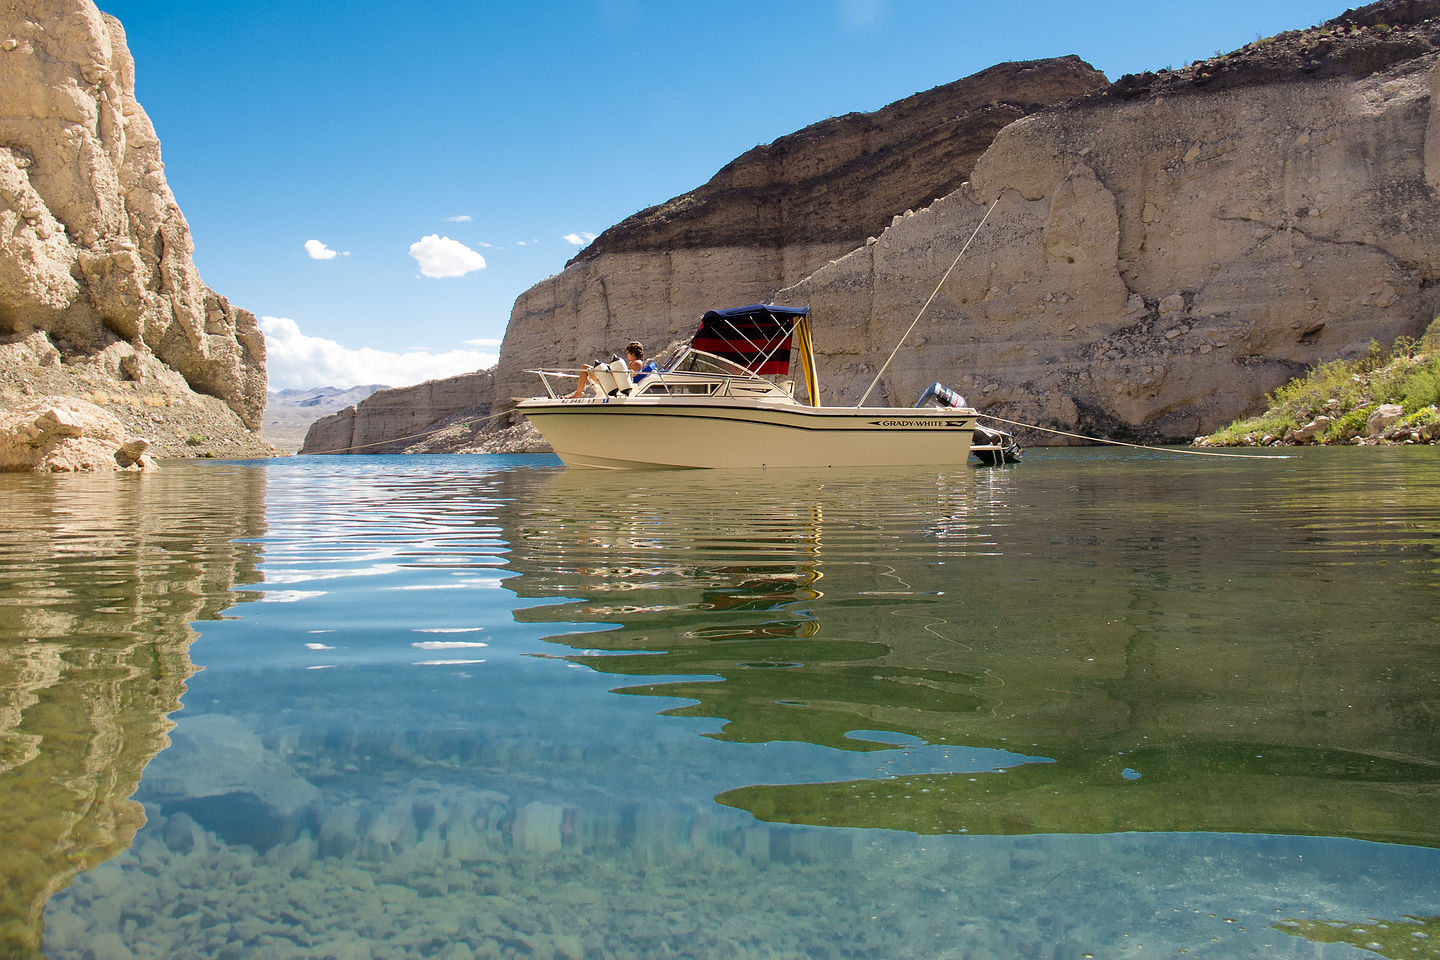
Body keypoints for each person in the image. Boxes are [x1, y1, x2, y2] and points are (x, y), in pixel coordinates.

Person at [572, 341, 647, 398]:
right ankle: (578, 393)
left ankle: (578, 394)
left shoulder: (637, 363)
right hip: (612, 381)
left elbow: (622, 375)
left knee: (585, 367)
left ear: (633, 354)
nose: (627, 355)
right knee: (586, 368)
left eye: (628, 353)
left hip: (611, 382)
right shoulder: (636, 363)